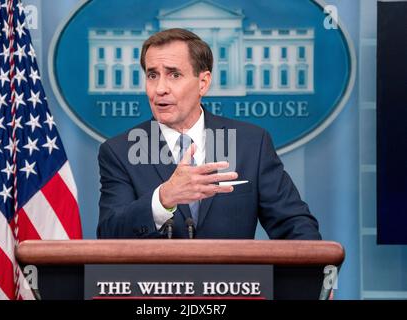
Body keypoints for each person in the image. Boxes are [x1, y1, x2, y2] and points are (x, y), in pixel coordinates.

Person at [97, 28, 321, 240]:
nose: (160, 89)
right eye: (152, 75)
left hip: (235, 280)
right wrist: (163, 199)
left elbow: (295, 226)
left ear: (203, 83)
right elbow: (110, 233)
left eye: (174, 75)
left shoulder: (251, 144)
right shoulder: (119, 152)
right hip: (153, 281)